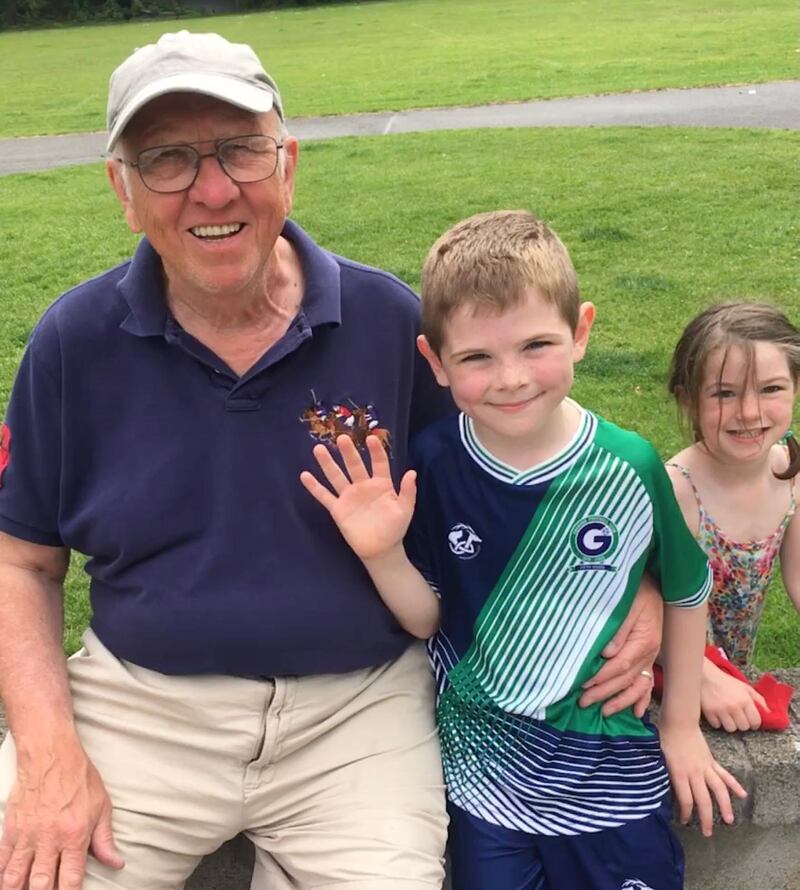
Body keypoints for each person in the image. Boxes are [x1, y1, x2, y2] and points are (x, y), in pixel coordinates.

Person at [0, 34, 662, 890]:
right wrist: (49, 753)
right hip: (143, 710)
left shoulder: (388, 323)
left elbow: (529, 467)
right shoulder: (72, 343)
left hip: (361, 718)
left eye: (241, 149)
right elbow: (21, 560)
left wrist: (638, 585)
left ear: (288, 165)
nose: (212, 187)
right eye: (166, 159)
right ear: (123, 190)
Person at [302, 210, 748, 890]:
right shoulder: (433, 463)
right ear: (436, 362)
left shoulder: (629, 466)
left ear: (582, 332)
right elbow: (428, 619)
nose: (510, 378)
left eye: (536, 345)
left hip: (613, 779)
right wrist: (381, 553)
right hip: (485, 784)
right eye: (477, 356)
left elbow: (685, 593)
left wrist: (681, 728)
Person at [666, 302, 799, 732]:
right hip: (668, 677)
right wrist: (704, 678)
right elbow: (636, 611)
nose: (749, 411)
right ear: (688, 398)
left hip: (733, 680)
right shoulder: (678, 490)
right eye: (724, 393)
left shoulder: (792, 476)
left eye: (771, 389)